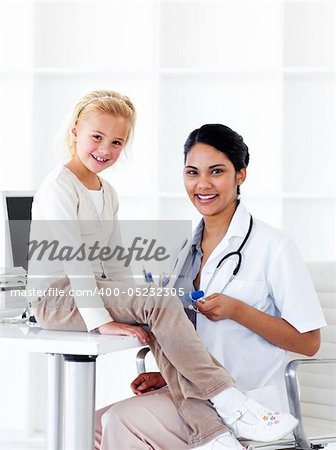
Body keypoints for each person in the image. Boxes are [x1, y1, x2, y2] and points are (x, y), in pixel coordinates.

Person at [27, 96, 298, 450]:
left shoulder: (106, 191)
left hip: (93, 290)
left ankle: (212, 437)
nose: (104, 149)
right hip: (58, 298)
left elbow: (113, 261)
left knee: (160, 313)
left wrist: (134, 306)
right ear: (75, 130)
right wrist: (101, 320)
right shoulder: (59, 187)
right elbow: (75, 260)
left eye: (117, 142)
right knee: (159, 302)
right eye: (96, 137)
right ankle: (230, 403)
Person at [95, 123, 326, 450]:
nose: (202, 184)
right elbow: (184, 336)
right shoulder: (183, 251)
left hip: (250, 398)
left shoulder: (274, 246)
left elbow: (309, 342)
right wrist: (168, 376)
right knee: (89, 425)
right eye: (192, 172)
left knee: (121, 420)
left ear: (240, 175)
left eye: (216, 171)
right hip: (194, 393)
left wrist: (238, 311)